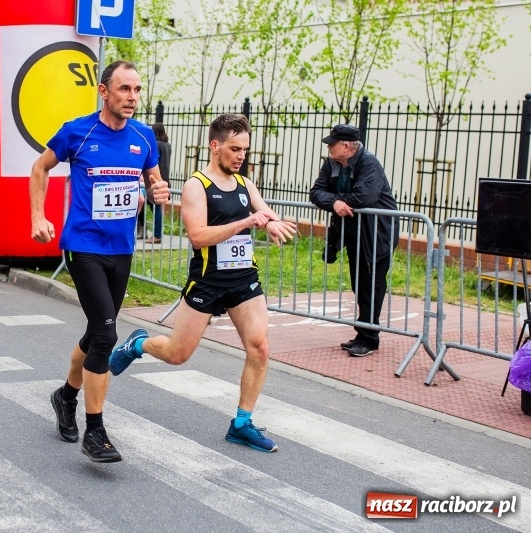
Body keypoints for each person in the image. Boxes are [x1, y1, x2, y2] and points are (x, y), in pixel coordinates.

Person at [108, 114, 296, 453]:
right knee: (177, 354)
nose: (240, 156)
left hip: (243, 280)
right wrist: (247, 222)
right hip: (207, 281)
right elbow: (197, 237)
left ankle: (242, 422)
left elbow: (264, 213)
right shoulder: (197, 185)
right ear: (215, 146)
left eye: (245, 150)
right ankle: (138, 345)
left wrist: (270, 222)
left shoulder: (244, 184)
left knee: (260, 347)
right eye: (234, 149)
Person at [30, 60, 169, 463]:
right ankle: (96, 432)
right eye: (124, 89)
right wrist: (38, 216)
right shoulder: (78, 131)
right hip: (84, 247)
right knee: (107, 335)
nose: (132, 97)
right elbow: (40, 168)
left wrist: (157, 193)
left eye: (137, 90)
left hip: (121, 249)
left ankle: (64, 396)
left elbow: (153, 182)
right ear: (103, 91)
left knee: (96, 331)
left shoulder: (144, 138)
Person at [309, 124, 399, 357]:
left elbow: (364, 197)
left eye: (332, 143)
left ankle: (369, 338)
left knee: (372, 285)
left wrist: (334, 200)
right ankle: (363, 333)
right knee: (359, 284)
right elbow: (316, 192)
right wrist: (336, 203)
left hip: (376, 234)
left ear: (346, 146)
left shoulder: (369, 163)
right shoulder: (332, 163)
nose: (328, 147)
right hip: (353, 233)